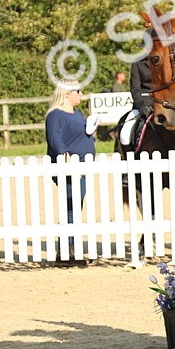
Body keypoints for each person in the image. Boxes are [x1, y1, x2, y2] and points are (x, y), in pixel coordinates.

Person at [45, 80, 97, 265]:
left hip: (82, 167)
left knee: (75, 206)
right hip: (70, 168)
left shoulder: (77, 113)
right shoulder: (55, 115)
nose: (81, 94)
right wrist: (66, 160)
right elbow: (55, 139)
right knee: (71, 207)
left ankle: (69, 248)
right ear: (67, 93)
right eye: (78, 91)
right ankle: (66, 251)